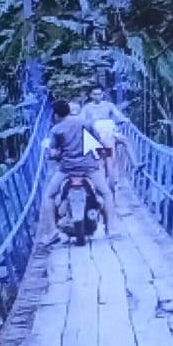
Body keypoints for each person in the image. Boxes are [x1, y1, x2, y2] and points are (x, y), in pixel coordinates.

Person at [38, 99, 117, 245]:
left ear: (55, 115)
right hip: (89, 167)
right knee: (106, 193)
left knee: (49, 195)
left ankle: (52, 231)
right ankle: (110, 228)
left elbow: (54, 152)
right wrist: (105, 154)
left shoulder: (56, 129)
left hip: (67, 169)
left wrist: (53, 155)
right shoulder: (85, 123)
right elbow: (98, 141)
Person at [79, 85, 130, 188]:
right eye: (95, 94)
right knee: (101, 160)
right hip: (95, 134)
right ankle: (102, 183)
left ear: (103, 94)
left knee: (113, 155)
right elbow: (81, 120)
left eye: (99, 94)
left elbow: (118, 115)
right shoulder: (87, 108)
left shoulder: (109, 105)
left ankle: (114, 180)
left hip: (108, 131)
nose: (97, 96)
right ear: (91, 95)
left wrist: (124, 120)